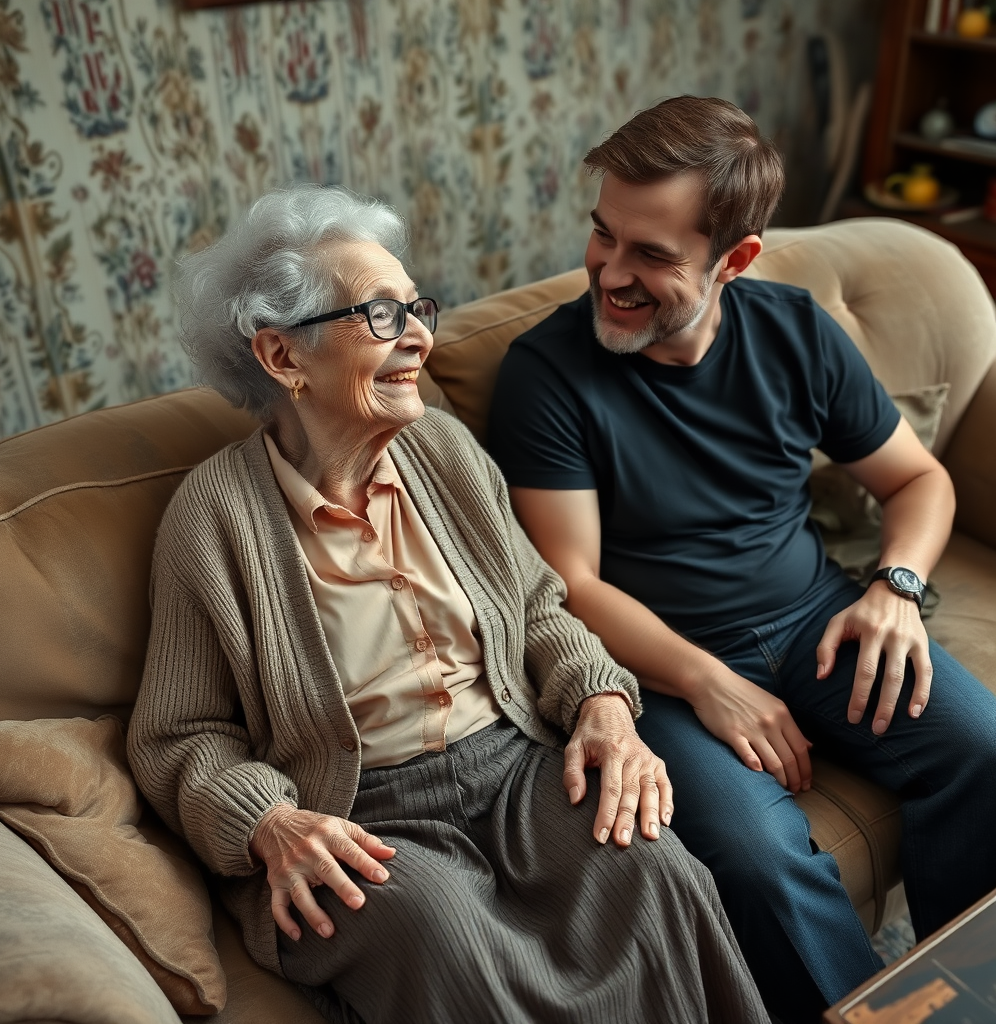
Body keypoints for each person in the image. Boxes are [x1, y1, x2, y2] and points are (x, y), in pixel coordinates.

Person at [126, 182, 770, 1024]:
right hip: (357, 810)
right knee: (450, 939)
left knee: (653, 872)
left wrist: (605, 706)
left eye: (416, 308)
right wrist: (268, 822)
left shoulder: (443, 448)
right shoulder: (213, 520)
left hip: (514, 766)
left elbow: (539, 608)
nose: (422, 337)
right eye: (382, 317)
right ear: (284, 358)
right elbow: (180, 736)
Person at [487, 96, 996, 1024]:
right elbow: (571, 587)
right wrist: (711, 682)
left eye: (653, 255)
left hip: (819, 620)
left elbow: (919, 482)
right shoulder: (545, 374)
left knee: (984, 750)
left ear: (737, 260)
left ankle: (962, 996)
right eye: (605, 236)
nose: (611, 272)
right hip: (658, 672)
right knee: (759, 861)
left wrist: (895, 587)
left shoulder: (795, 332)